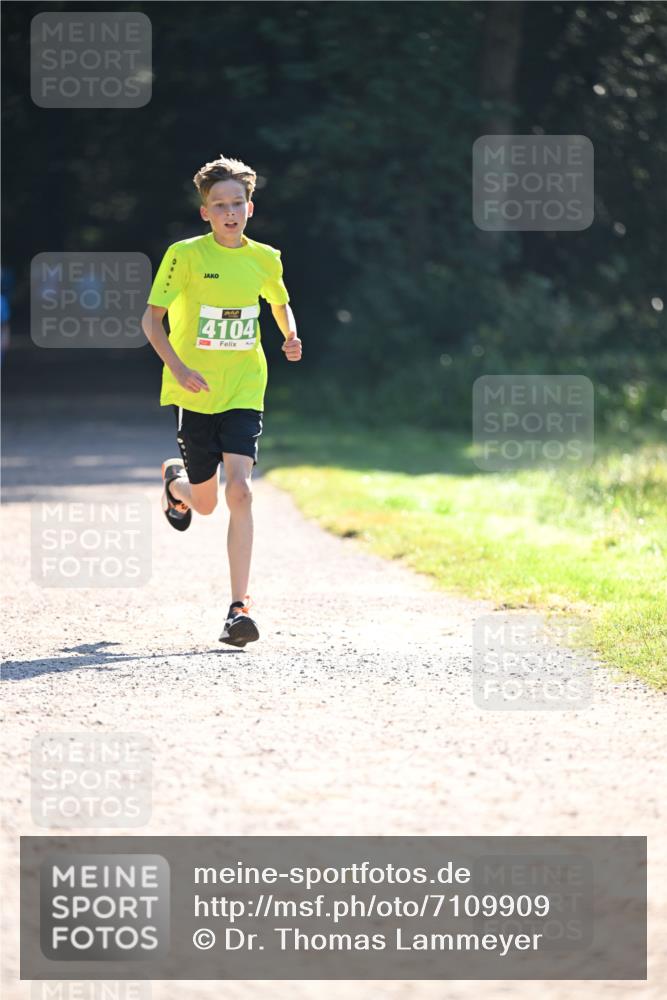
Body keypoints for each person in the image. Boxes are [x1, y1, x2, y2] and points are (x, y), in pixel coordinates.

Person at [141, 154, 302, 647]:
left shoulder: (264, 258)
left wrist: (290, 335)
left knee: (241, 492)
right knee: (207, 503)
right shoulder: (185, 255)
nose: (230, 212)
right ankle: (177, 485)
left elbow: (279, 302)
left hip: (244, 387)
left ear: (250, 208)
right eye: (219, 205)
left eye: (238, 203)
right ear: (205, 213)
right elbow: (152, 320)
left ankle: (239, 609)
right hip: (196, 390)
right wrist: (180, 368)